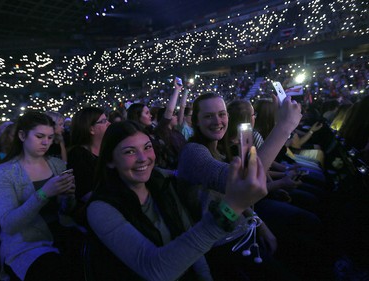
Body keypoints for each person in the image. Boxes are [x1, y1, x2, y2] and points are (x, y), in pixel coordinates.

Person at [86, 120, 268, 281]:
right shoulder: (100, 209)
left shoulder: (160, 182)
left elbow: (187, 235)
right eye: (130, 151)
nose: (143, 158)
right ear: (110, 161)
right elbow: (156, 270)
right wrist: (231, 208)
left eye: (147, 147)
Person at [177, 93, 328, 280]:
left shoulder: (216, 149)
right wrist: (283, 127)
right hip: (226, 244)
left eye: (222, 114)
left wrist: (261, 224)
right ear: (195, 121)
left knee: (307, 240)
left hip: (245, 230)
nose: (217, 121)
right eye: (208, 116)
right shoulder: (193, 152)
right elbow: (244, 183)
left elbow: (236, 199)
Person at [0, 111, 76, 281]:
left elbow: (68, 211)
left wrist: (67, 197)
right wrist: (44, 193)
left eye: (50, 137)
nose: (46, 142)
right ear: (22, 136)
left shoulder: (58, 165)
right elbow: (9, 225)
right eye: (39, 136)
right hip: (25, 244)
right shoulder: (4, 173)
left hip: (61, 234)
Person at [67, 107, 110, 204]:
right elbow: (84, 192)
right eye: (103, 121)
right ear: (91, 129)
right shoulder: (78, 155)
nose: (109, 123)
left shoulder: (109, 148)